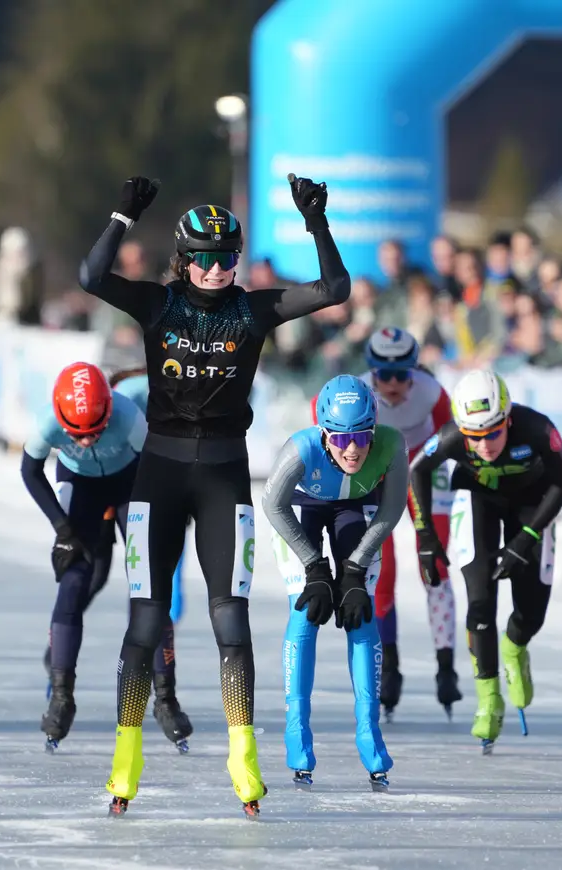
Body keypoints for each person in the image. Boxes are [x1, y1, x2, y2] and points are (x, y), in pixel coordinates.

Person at [79, 174, 350, 817]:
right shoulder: (159, 305)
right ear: (183, 259)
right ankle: (126, 756)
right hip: (159, 477)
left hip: (225, 478)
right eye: (203, 259)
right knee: (145, 621)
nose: (215, 270)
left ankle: (242, 753)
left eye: (226, 258)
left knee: (231, 618)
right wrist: (122, 215)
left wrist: (316, 222)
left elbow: (334, 289)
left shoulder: (252, 309)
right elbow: (92, 278)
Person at [21, 362, 191, 752]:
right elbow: (30, 472)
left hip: (129, 482)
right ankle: (61, 697)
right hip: (78, 487)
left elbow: (159, 469)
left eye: (95, 432)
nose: (85, 442)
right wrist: (63, 531)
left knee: (149, 584)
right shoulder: (47, 422)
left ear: (109, 414)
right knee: (74, 581)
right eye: (76, 434)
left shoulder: (130, 416)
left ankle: (165, 699)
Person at [409, 370, 562, 751]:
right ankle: (488, 700)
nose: (483, 445)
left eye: (493, 433)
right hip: (477, 501)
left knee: (531, 610)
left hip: (532, 506)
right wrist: (427, 537)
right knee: (480, 601)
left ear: (508, 418)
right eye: (474, 436)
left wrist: (525, 538)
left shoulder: (537, 430)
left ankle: (515, 646)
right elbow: (418, 469)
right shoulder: (453, 436)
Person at [263, 375, 408, 790]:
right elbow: (272, 505)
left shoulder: (393, 444)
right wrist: (314, 567)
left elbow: (392, 509)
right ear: (323, 432)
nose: (351, 449)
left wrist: (355, 569)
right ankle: (298, 741)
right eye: (340, 438)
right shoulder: (301, 448)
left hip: (357, 512)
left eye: (362, 436)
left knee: (360, 616)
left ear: (374, 429)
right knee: (306, 616)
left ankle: (370, 737)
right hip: (298, 514)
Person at [357, 327, 461, 719]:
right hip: (380, 466)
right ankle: (390, 669)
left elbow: (456, 439)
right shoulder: (360, 392)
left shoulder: (433, 394)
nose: (395, 384)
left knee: (433, 562)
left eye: (403, 374)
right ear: (372, 373)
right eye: (385, 375)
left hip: (423, 465)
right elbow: (321, 410)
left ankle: (446, 667)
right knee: (381, 570)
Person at [110, 366, 186, 624]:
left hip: (151, 462)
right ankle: (163, 624)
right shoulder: (133, 392)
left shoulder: (127, 393)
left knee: (147, 556)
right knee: (167, 552)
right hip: (164, 459)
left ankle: (150, 624)